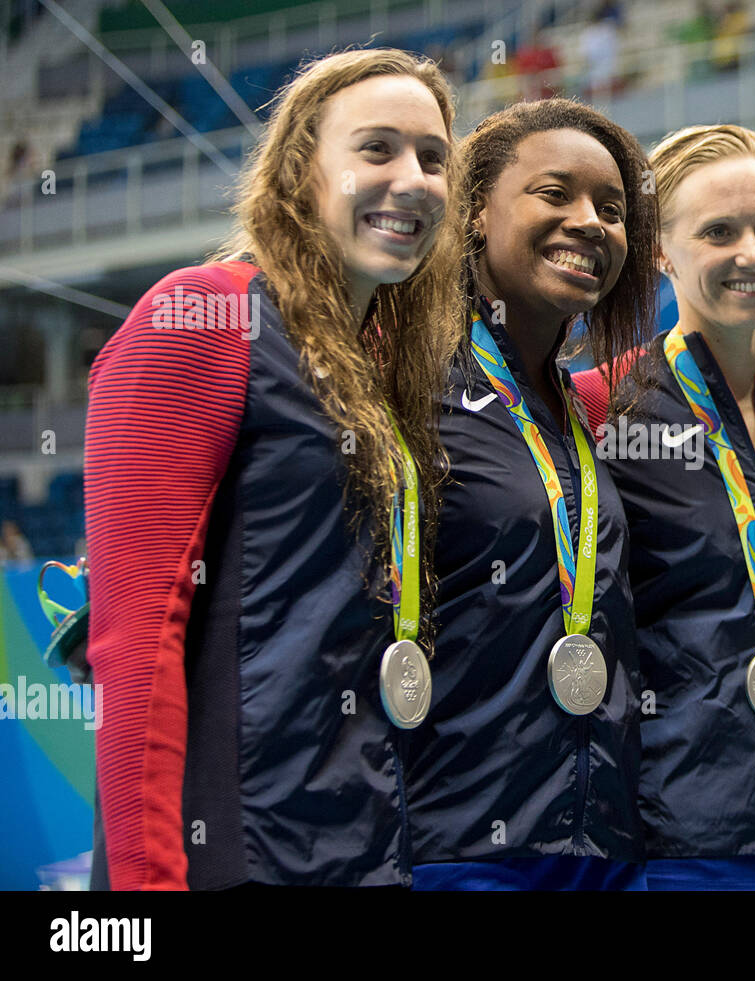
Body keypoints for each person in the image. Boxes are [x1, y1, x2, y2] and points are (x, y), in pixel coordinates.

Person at [83, 49, 463, 889]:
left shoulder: (383, 368)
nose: (414, 179)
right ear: (300, 170)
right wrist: (146, 890)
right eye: (377, 149)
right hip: (228, 856)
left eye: (434, 159)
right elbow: (136, 646)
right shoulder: (201, 317)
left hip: (362, 848)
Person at [573, 124, 755, 890]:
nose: (753, 253)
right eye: (719, 231)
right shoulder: (605, 403)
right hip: (681, 843)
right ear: (661, 252)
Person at [403, 98, 659, 890]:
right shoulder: (404, 381)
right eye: (555, 194)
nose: (590, 223)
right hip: (454, 850)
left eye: (612, 210)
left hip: (604, 847)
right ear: (475, 210)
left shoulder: (579, 410)